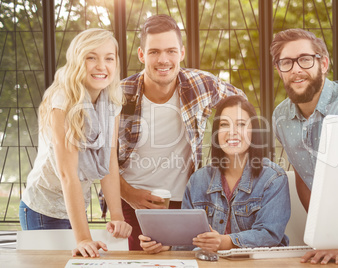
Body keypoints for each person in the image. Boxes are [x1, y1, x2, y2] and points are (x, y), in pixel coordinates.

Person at [118, 14, 246, 250]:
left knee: (188, 261)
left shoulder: (201, 84)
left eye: (171, 51)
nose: (163, 60)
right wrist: (128, 194)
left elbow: (241, 103)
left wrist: (225, 146)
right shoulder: (120, 94)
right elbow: (96, 157)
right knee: (143, 261)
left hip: (185, 198)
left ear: (182, 53)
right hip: (134, 200)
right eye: (154, 51)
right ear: (141, 54)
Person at [270, 28, 338, 264]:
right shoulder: (280, 117)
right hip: (329, 246)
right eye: (286, 63)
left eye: (305, 59)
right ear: (279, 71)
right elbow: (304, 176)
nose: (296, 69)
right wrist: (325, 235)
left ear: (323, 64)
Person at [19, 28, 132, 258]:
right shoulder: (63, 100)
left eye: (109, 58)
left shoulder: (111, 101)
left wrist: (117, 217)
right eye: (92, 57)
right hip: (43, 210)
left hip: (73, 209)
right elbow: (68, 175)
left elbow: (109, 164)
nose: (101, 66)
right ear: (78, 60)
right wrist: (83, 238)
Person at [139, 95, 291, 253]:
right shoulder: (198, 181)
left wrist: (225, 242)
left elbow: (270, 235)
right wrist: (167, 244)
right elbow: (188, 239)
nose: (232, 132)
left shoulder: (273, 179)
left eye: (241, 124)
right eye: (224, 124)